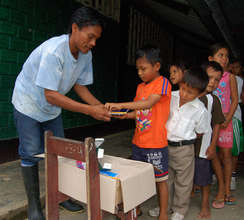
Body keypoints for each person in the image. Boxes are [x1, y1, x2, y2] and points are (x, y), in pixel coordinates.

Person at [12, 7, 111, 220]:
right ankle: (34, 208)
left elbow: (80, 85)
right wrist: (89, 110)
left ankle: (63, 196)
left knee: (61, 151)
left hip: (51, 107)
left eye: (96, 39)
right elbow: (51, 95)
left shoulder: (86, 54)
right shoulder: (54, 51)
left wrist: (99, 107)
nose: (93, 43)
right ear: (75, 28)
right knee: (31, 152)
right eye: (90, 36)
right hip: (28, 103)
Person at [105, 45, 172, 220]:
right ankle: (136, 209)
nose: (140, 73)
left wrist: (120, 105)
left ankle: (163, 213)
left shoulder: (163, 83)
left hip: (156, 143)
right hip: (138, 142)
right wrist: (124, 116)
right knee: (136, 178)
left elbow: (148, 104)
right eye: (138, 69)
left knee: (160, 180)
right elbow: (139, 112)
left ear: (156, 66)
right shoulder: (140, 87)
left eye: (144, 69)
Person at [167, 67, 209, 220]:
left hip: (184, 148)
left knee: (183, 182)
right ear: (181, 83)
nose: (184, 94)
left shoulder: (200, 110)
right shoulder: (171, 96)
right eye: (183, 88)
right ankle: (164, 206)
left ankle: (179, 210)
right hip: (164, 145)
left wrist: (185, 138)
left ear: (200, 93)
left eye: (190, 92)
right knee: (165, 179)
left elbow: (200, 131)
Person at [193, 61, 225, 218]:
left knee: (204, 178)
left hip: (204, 146)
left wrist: (213, 146)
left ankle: (205, 204)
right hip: (186, 145)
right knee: (185, 174)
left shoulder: (214, 100)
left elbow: (217, 125)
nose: (212, 82)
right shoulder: (189, 95)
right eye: (210, 77)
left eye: (217, 80)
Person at [208, 43, 238, 205]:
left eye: (226, 56)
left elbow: (234, 100)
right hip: (210, 122)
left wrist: (228, 119)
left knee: (226, 156)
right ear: (211, 59)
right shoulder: (208, 75)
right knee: (212, 154)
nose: (225, 59)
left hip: (225, 121)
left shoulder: (230, 77)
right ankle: (220, 188)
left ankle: (226, 190)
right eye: (221, 55)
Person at [229, 59, 244, 190]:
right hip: (221, 116)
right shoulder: (221, 78)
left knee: (234, 148)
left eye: (237, 67)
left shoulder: (240, 81)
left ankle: (232, 176)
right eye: (232, 67)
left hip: (234, 117)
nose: (234, 69)